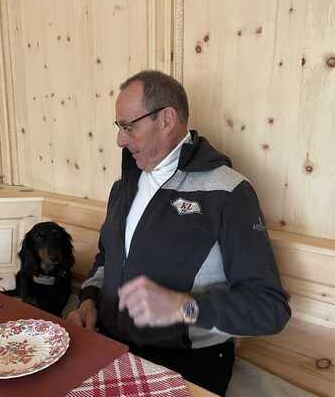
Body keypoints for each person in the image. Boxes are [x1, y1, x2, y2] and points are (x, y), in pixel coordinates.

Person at [67, 70, 291, 395]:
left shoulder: (230, 192)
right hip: (112, 344)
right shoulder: (124, 186)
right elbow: (106, 259)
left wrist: (181, 307)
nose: (120, 140)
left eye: (129, 126)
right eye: (119, 127)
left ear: (167, 118)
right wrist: (88, 301)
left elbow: (270, 309)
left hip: (188, 362)